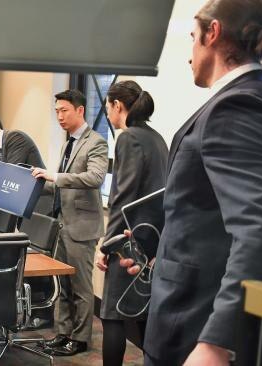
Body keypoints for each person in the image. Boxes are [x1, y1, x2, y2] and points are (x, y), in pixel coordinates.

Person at [119, 1, 262, 364]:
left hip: (200, 332)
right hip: (223, 311)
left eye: (192, 38)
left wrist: (218, 342)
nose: (190, 52)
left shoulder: (238, 108)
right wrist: (163, 257)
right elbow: (219, 217)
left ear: (213, 32)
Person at [95, 80, 168, 366]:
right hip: (152, 242)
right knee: (142, 314)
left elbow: (123, 197)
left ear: (117, 105)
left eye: (108, 107)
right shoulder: (157, 137)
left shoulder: (128, 137)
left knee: (112, 315)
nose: (109, 113)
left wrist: (107, 245)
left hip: (129, 241)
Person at [31, 89, 108, 356]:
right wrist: (41, 181)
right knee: (62, 284)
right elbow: (60, 184)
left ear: (80, 110)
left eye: (64, 110)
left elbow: (95, 178)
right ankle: (63, 333)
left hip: (82, 226)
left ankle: (81, 338)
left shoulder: (95, 142)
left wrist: (55, 176)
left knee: (81, 287)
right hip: (62, 223)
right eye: (57, 112)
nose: (60, 116)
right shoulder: (68, 143)